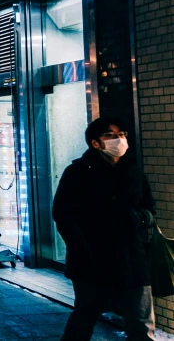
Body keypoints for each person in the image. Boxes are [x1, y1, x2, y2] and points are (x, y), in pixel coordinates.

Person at [52, 117, 155, 341]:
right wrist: (82, 249)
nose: (120, 139)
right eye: (111, 135)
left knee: (141, 324)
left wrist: (139, 218)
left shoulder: (133, 171)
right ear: (95, 143)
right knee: (84, 318)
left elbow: (149, 209)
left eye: (122, 134)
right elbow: (62, 215)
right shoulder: (78, 172)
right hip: (92, 262)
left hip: (132, 260)